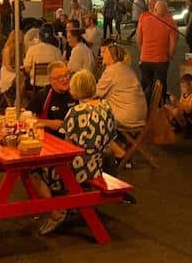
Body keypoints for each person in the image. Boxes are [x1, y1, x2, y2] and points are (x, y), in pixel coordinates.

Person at [33, 70, 117, 235]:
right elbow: (111, 137)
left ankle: (56, 213)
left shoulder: (76, 112)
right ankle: (70, 209)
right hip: (96, 166)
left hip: (76, 170)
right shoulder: (106, 106)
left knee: (34, 171)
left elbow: (68, 146)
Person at [96, 43, 147, 129]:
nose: (102, 55)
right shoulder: (125, 68)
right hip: (140, 114)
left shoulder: (111, 71)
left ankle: (102, 138)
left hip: (127, 117)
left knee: (94, 109)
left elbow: (97, 93)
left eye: (106, 53)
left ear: (113, 57)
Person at [27, 62, 75, 131]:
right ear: (50, 80)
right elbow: (25, 118)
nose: (64, 80)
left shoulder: (75, 92)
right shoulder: (43, 95)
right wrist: (49, 123)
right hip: (51, 137)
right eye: (59, 77)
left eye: (66, 75)